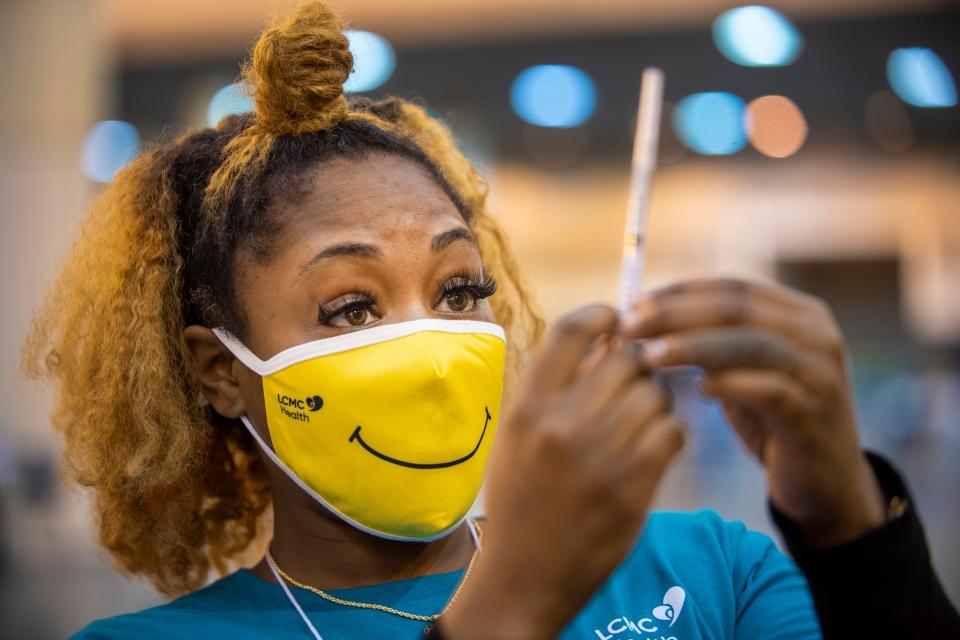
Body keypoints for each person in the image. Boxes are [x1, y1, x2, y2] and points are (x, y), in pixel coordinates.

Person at [22, 2, 957, 638]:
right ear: (220, 369)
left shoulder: (710, 570)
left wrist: (844, 518)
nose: (431, 346)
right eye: (351, 306)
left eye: (459, 290)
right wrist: (508, 609)